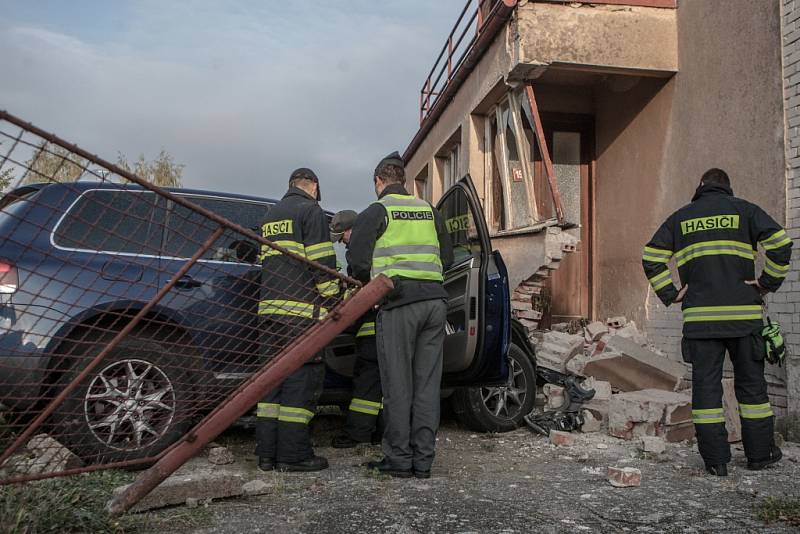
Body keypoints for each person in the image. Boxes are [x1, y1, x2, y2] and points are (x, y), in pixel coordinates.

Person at [642, 168, 793, 476]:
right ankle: (760, 456)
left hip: (701, 323)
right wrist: (766, 283)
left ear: (700, 188)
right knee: (752, 390)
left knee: (706, 391)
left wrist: (671, 292)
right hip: (743, 320)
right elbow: (781, 242)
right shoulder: (745, 211)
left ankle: (716, 462)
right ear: (728, 189)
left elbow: (651, 254)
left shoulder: (681, 218)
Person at [349, 151, 454, 478]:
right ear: (404, 182)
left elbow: (357, 261)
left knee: (397, 385)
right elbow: (447, 258)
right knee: (426, 386)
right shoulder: (429, 210)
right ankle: (423, 462)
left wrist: (379, 285)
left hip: (398, 302)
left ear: (379, 181)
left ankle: (397, 460)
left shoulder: (378, 211)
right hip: (435, 303)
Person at [255, 168, 339, 472]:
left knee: (271, 383)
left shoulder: (269, 216)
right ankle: (293, 455)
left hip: (269, 314)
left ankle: (266, 454)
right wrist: (334, 298)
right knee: (299, 382)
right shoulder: (310, 211)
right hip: (300, 316)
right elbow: (322, 262)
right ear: (313, 186)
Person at [329, 210, 384, 448]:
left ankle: (358, 433)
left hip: (373, 324)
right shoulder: (381, 245)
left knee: (367, 380)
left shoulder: (361, 252)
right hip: (385, 323)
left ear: (353, 230)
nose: (342, 242)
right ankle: (381, 431)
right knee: (384, 381)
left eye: (343, 237)